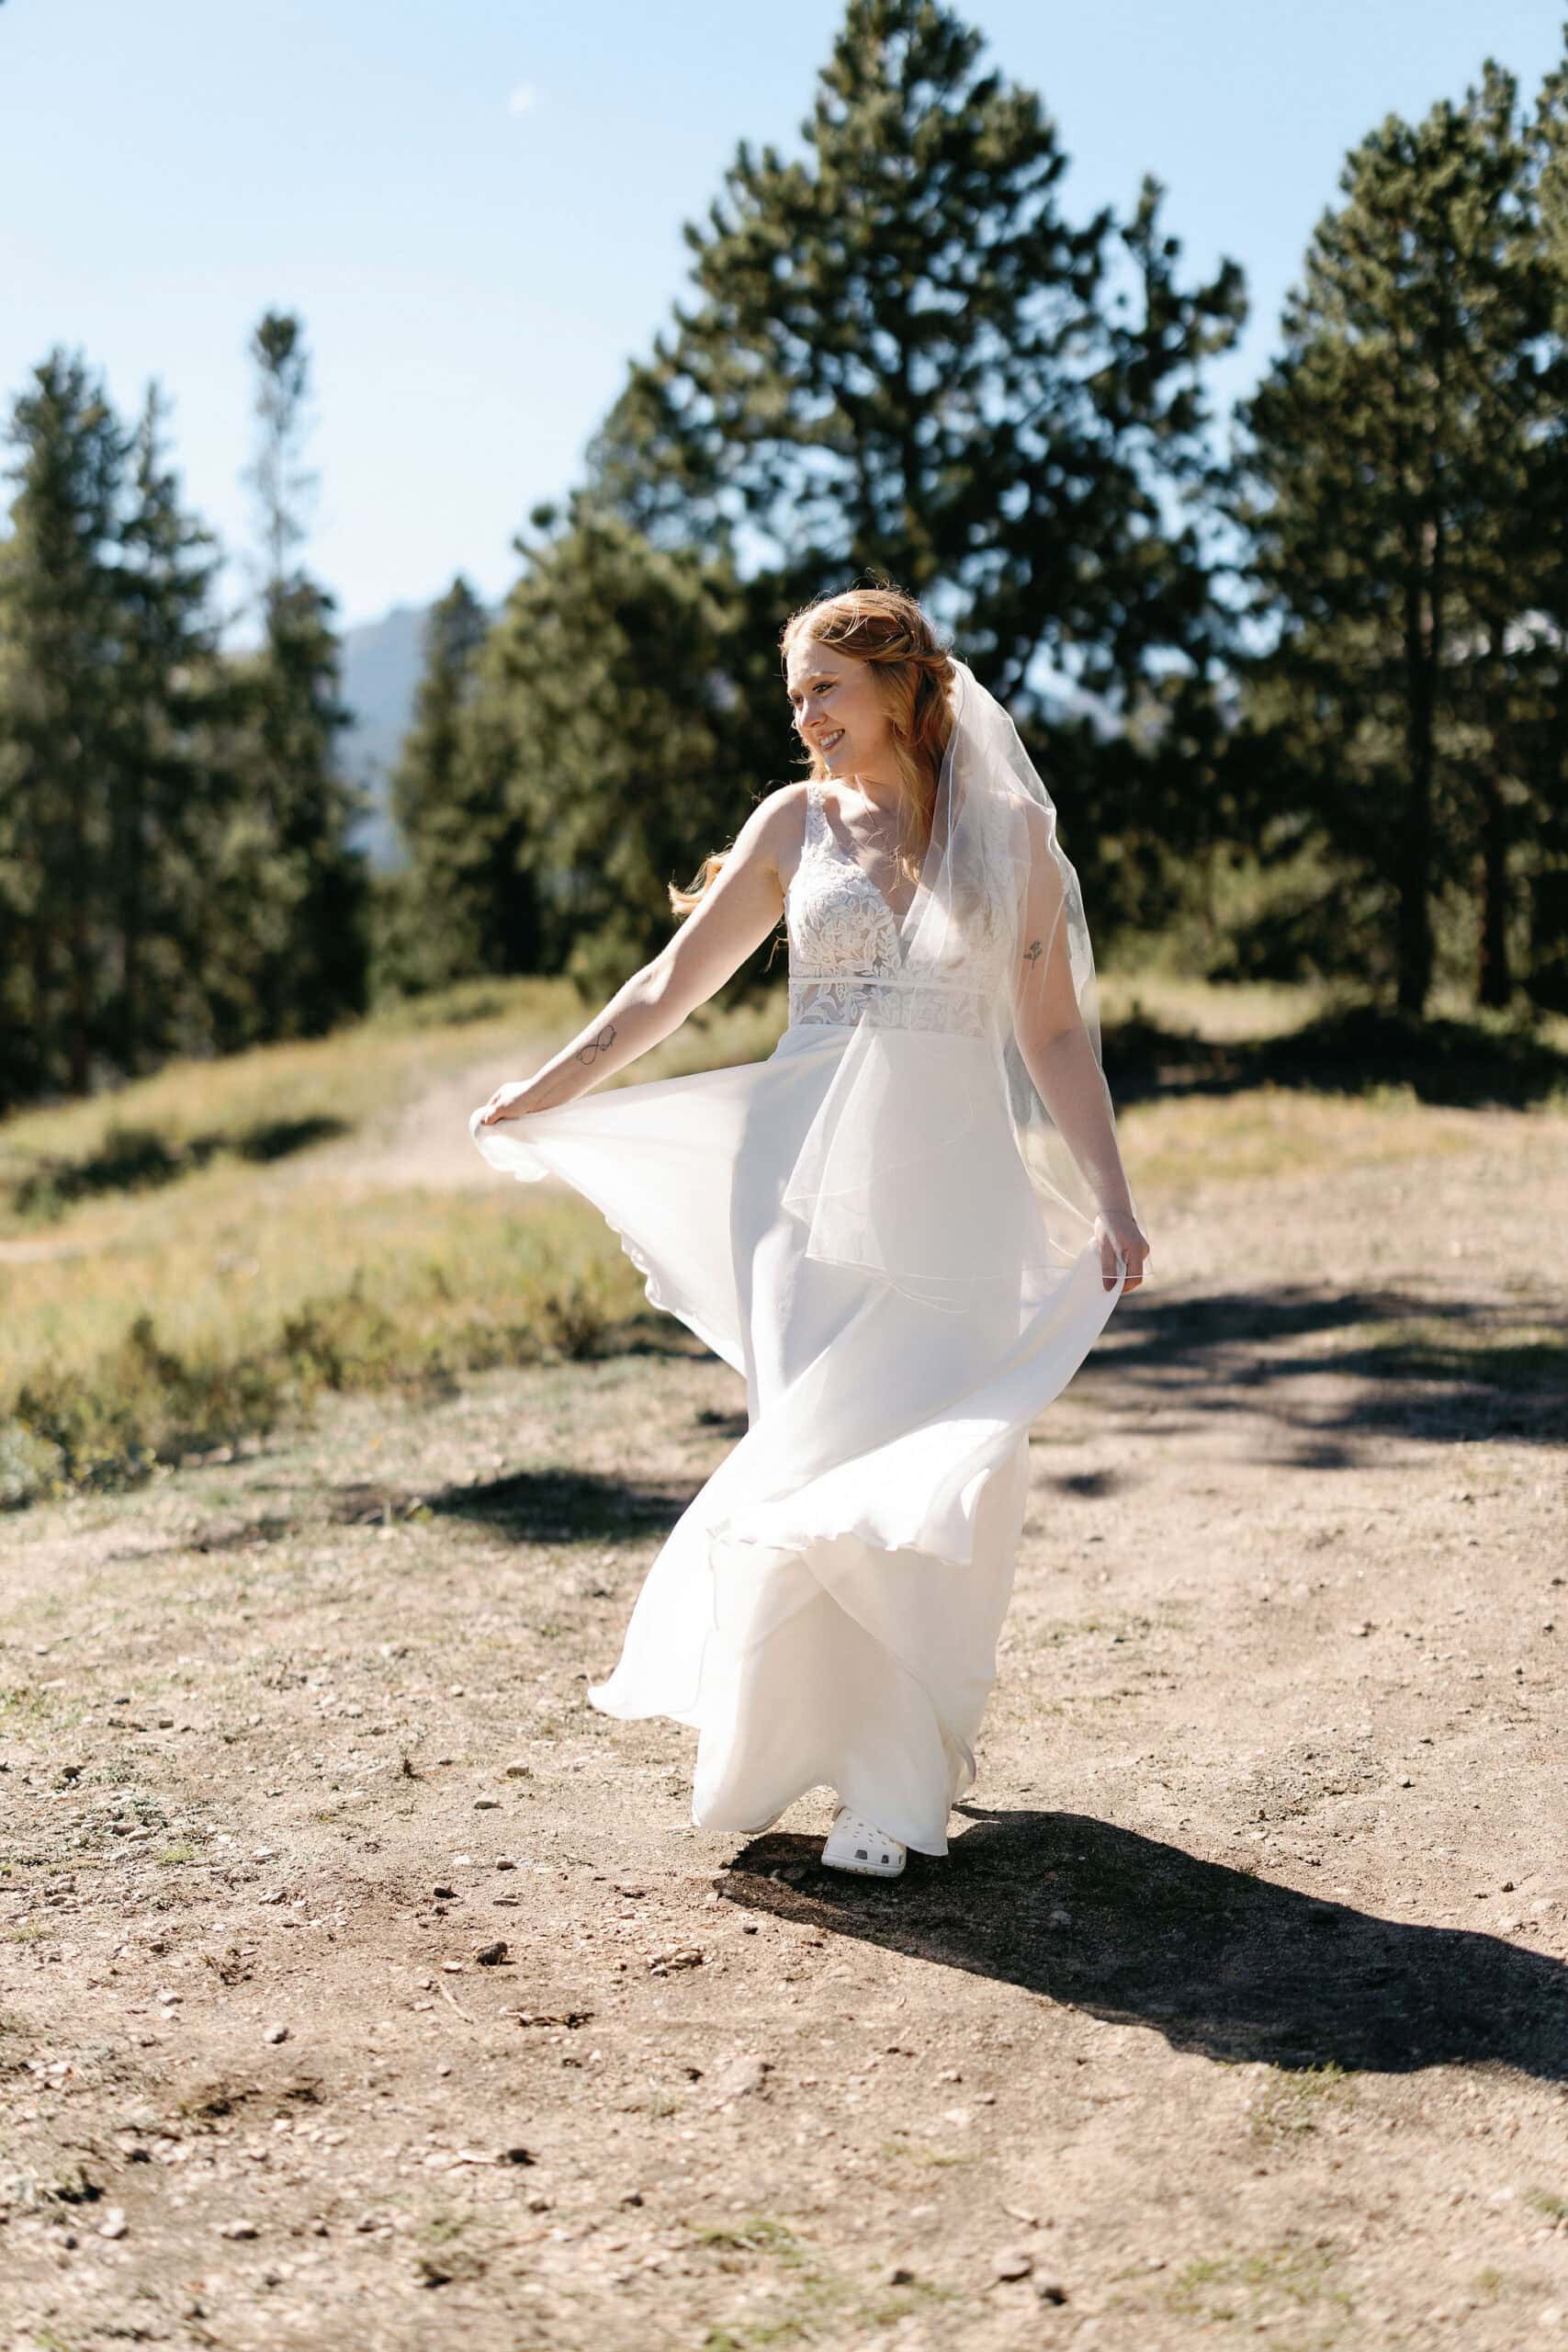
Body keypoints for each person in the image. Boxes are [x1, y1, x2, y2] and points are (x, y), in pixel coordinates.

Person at [472, 585, 1150, 1880]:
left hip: (949, 1193)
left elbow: (1053, 1030)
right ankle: (789, 1747)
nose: (806, 718)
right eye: (794, 697)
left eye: (825, 689)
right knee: (813, 1459)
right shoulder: (793, 823)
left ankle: (897, 1784)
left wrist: (1111, 1197)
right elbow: (668, 985)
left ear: (899, 686)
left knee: (928, 1475)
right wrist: (544, 1092)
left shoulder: (1009, 831)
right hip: (791, 1194)